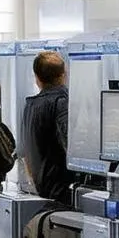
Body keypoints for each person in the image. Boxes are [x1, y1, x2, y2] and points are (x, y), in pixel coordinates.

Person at [22, 51, 73, 205]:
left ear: (36, 77)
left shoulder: (31, 104)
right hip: (63, 186)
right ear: (63, 75)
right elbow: (69, 145)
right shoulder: (62, 102)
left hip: (42, 184)